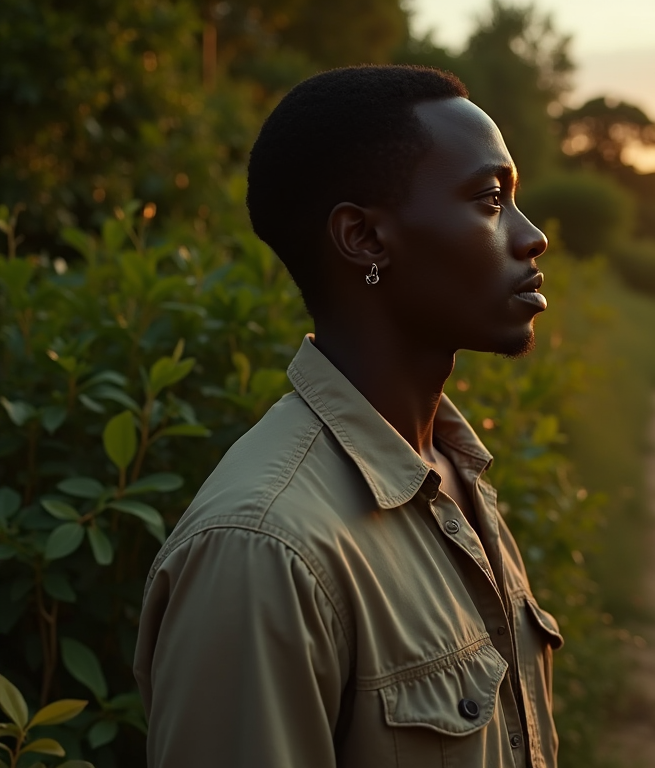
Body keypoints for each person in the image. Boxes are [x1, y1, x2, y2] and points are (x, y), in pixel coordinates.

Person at [133, 64, 563, 768]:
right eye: (490, 200)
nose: (532, 236)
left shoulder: (451, 471)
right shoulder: (263, 550)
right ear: (364, 239)